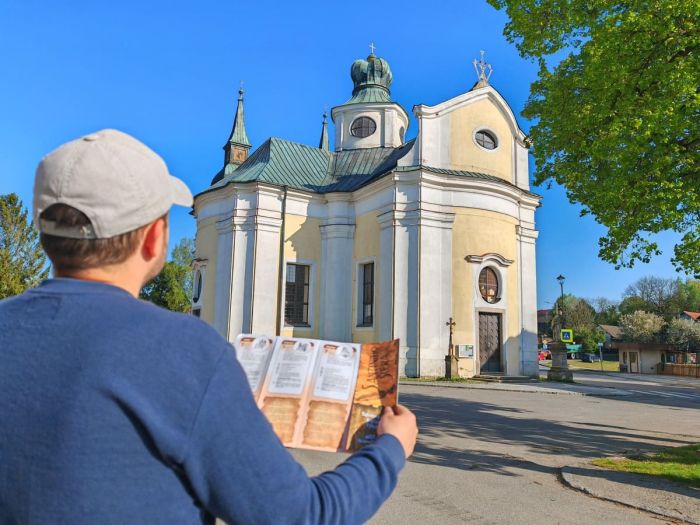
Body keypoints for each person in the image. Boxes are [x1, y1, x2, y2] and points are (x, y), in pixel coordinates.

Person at [0, 129, 418, 524]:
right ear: (154, 239)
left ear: (45, 234)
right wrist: (389, 449)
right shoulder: (182, 350)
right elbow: (301, 515)